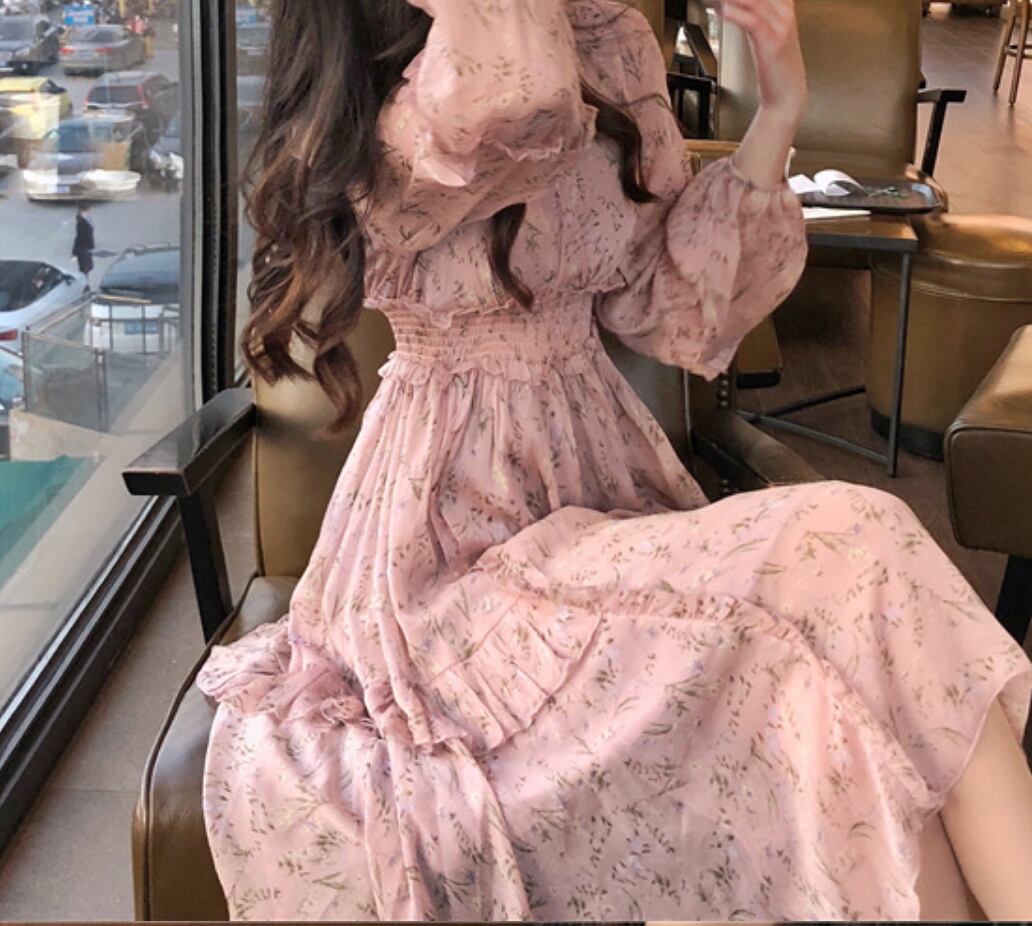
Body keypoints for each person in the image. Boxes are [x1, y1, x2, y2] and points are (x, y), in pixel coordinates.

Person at [196, 0, 1032, 920]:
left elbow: (664, 305)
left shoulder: (606, 36)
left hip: (603, 488)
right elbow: (507, 108)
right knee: (859, 537)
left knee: (846, 700)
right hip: (445, 540)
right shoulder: (411, 49)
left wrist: (780, 107)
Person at [71, 204, 95, 290]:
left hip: (86, 247)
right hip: (83, 248)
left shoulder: (85, 220)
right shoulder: (81, 223)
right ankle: (85, 285)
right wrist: (74, 252)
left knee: (86, 268)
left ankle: (86, 284)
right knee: (85, 268)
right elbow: (79, 238)